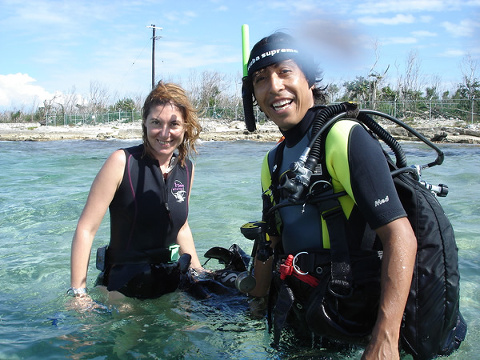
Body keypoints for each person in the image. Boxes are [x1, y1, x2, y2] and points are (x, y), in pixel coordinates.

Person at [243, 32, 417, 360]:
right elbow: (271, 239)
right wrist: (254, 300)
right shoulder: (272, 161)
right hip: (299, 317)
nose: (274, 86)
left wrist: (385, 339)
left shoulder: (343, 137)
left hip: (351, 320)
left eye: (284, 72)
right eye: (261, 79)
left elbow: (400, 236)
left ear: (308, 78)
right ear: (252, 93)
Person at [69, 81, 204, 303]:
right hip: (122, 289)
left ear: (185, 127)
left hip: (168, 282)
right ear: (145, 124)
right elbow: (86, 228)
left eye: (174, 124)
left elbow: (181, 226)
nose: (165, 133)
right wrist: (78, 293)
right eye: (156, 123)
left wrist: (198, 271)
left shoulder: (186, 168)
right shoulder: (121, 161)